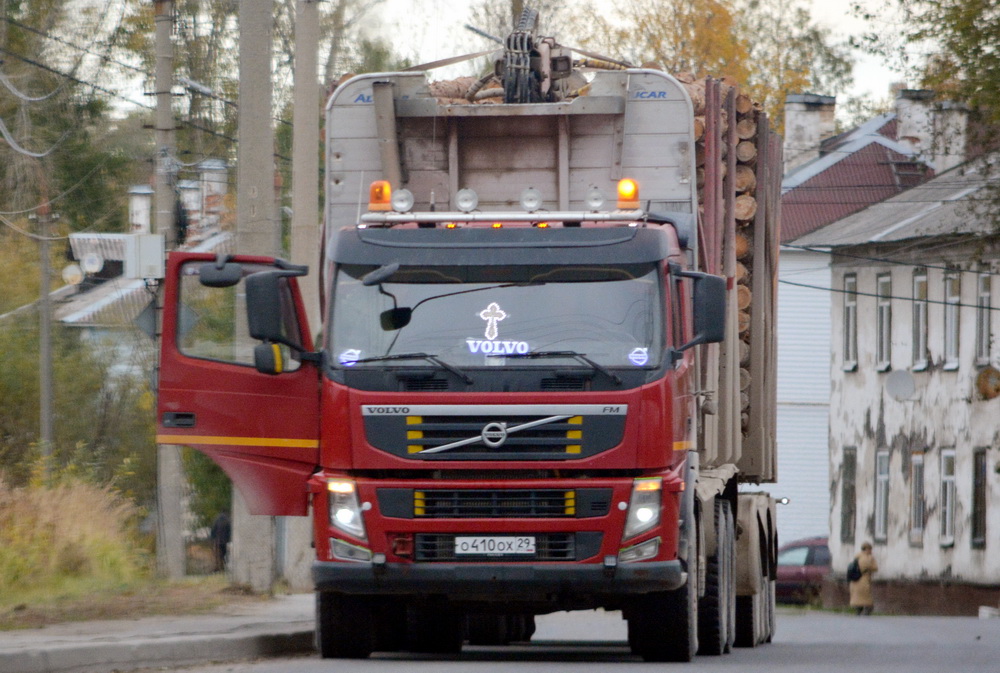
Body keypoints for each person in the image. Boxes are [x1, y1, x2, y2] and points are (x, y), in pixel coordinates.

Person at [849, 542, 878, 615]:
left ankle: (858, 609)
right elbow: (875, 568)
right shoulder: (869, 558)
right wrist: (869, 569)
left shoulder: (856, 557)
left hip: (854, 580)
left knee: (857, 595)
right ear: (867, 549)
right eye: (870, 549)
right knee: (866, 595)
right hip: (864, 579)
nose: (871, 551)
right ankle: (867, 609)